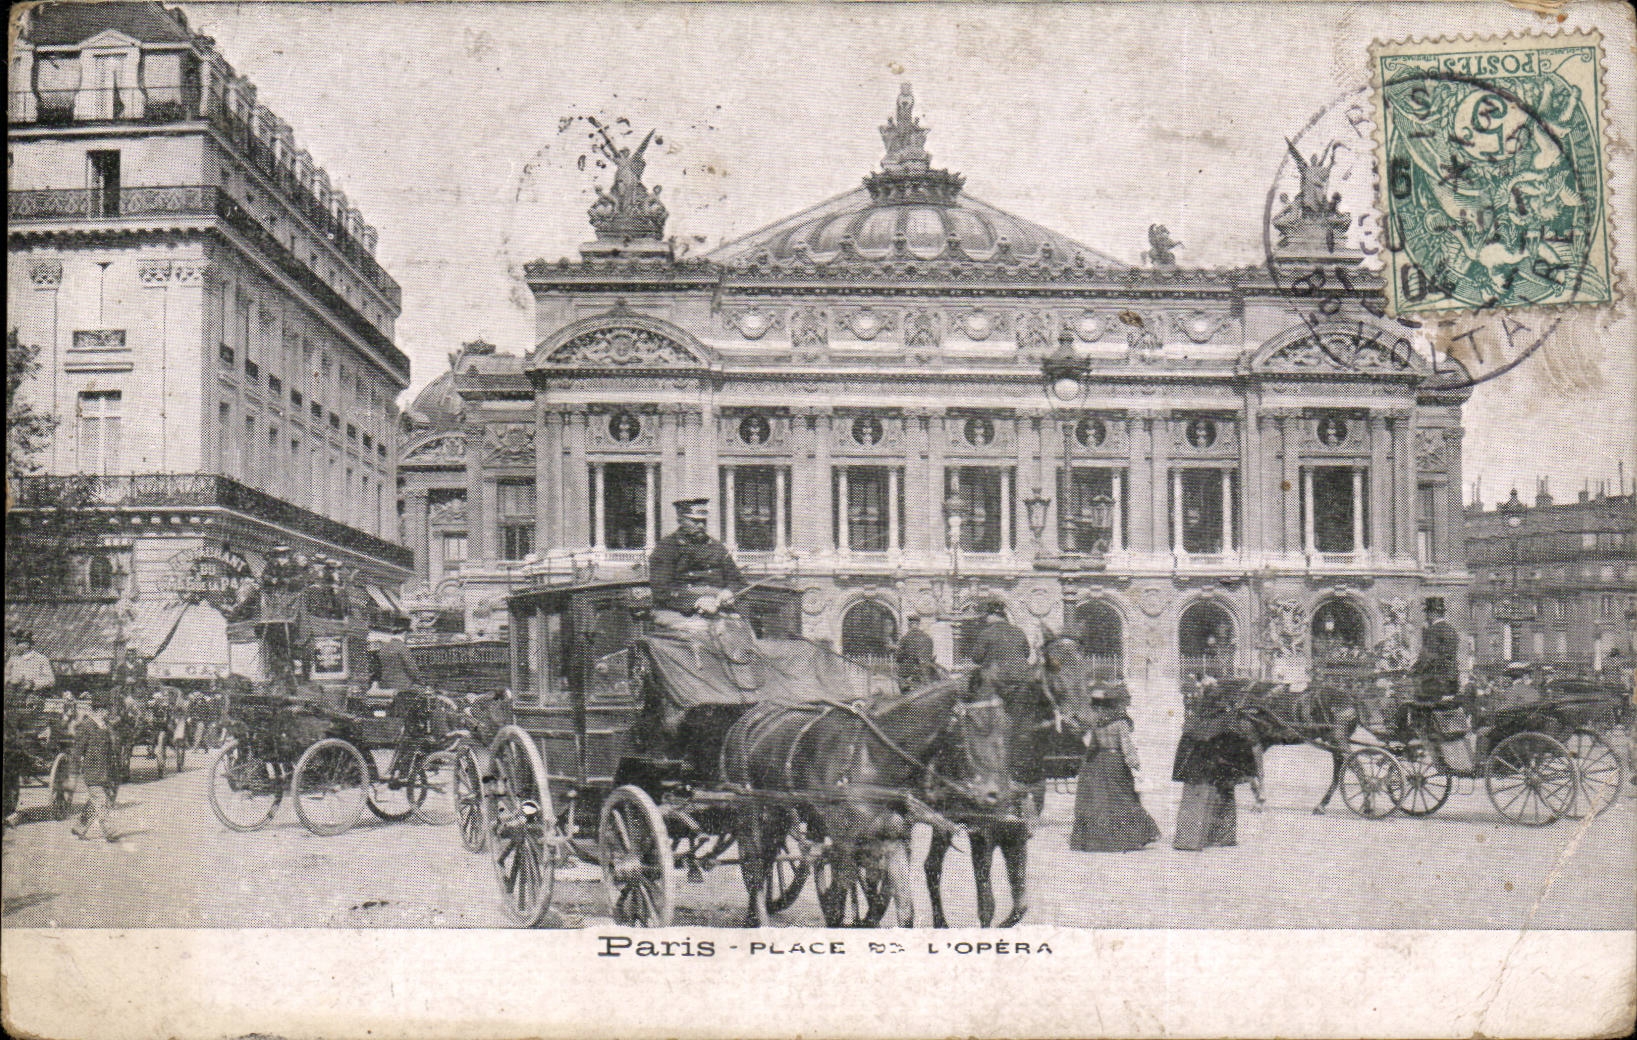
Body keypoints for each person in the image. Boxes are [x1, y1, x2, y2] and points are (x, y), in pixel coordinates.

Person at [1068, 684, 1160, 852]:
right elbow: (1126, 745)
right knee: (1124, 799)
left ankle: (1100, 840)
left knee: (1101, 802)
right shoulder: (1120, 723)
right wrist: (1135, 764)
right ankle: (1128, 838)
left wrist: (1086, 764)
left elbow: (1093, 746)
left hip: (1098, 762)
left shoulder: (1097, 723)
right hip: (1116, 762)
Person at [1171, 684, 1259, 851]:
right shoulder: (1227, 721)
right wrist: (1245, 769)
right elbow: (1238, 746)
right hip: (1218, 769)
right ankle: (1220, 837)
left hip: (1195, 770)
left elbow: (1184, 748)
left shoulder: (1194, 721)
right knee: (1223, 799)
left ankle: (1189, 839)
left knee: (1194, 802)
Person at [647, 498, 746, 636]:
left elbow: (738, 581)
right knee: (703, 632)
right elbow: (661, 590)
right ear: (681, 520)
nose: (701, 526)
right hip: (676, 610)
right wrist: (696, 601)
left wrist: (729, 592)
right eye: (695, 521)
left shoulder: (717, 547)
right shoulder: (666, 547)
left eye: (703, 521)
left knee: (739, 630)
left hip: (717, 609)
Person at [71, 695, 122, 841]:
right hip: (92, 771)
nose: (109, 713)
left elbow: (111, 749)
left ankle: (79, 827)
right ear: (99, 710)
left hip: (105, 771)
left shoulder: (105, 726)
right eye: (107, 710)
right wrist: (75, 769)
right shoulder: (87, 726)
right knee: (101, 800)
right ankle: (109, 831)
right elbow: (77, 749)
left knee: (95, 801)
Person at [5, 629, 56, 701]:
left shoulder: (41, 659)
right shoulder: (13, 659)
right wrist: (10, 681)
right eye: (17, 642)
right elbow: (6, 675)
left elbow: (50, 681)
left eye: (20, 642)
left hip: (33, 697)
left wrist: (32, 683)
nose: (17, 645)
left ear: (28, 644)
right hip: (13, 696)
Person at [894, 614, 938, 689]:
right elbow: (931, 655)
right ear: (918, 624)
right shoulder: (928, 637)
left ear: (909, 624)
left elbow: (899, 657)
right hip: (927, 670)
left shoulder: (906, 638)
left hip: (911, 671)